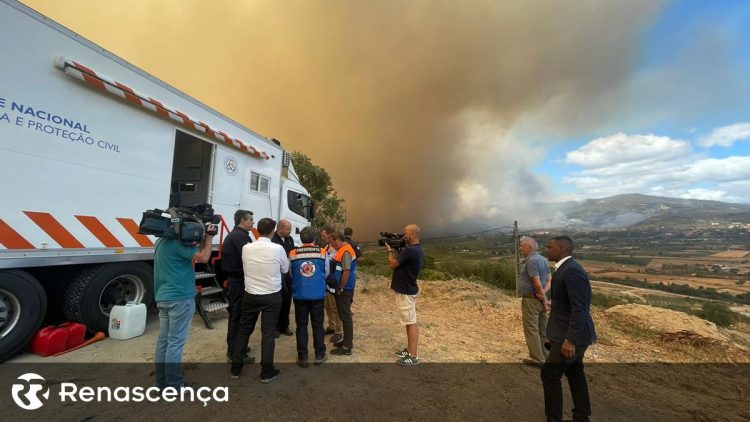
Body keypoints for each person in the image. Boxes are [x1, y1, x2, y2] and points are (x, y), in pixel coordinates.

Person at [153, 221, 215, 389]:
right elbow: (203, 257)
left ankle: (161, 382)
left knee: (164, 341)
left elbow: (193, 249)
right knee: (175, 342)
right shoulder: (177, 244)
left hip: (163, 296)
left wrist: (201, 240)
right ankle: (174, 384)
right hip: (180, 297)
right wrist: (209, 238)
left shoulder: (160, 242)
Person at [542, 236, 597, 422]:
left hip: (571, 336)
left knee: (550, 374)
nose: (546, 249)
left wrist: (570, 340)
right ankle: (581, 416)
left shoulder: (572, 271)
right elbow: (570, 302)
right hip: (568, 333)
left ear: (562, 249)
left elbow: (580, 308)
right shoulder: (564, 269)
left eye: (550, 247)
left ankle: (554, 418)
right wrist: (555, 304)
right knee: (574, 373)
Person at [230, 218, 289, 383]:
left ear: (257, 230)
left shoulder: (246, 248)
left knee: (243, 331)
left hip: (250, 295)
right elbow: (285, 268)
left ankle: (235, 368)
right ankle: (266, 371)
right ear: (273, 231)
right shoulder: (277, 248)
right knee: (268, 334)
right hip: (272, 295)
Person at [289, 226, 329, 367]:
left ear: (301, 238)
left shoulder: (293, 253)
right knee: (318, 325)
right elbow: (327, 272)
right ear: (314, 238)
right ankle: (319, 355)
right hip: (317, 294)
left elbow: (290, 273)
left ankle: (303, 357)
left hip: (300, 294)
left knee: (301, 326)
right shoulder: (322, 252)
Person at [386, 224, 424, 366]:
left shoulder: (410, 251)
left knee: (411, 322)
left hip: (406, 292)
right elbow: (401, 263)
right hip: (408, 289)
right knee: (409, 322)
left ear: (413, 234)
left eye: (406, 233)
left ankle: (413, 356)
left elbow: (392, 264)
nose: (404, 236)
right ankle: (409, 350)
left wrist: (389, 251)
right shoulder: (416, 250)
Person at [220, 209, 255, 363]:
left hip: (237, 280)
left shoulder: (237, 235)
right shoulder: (239, 237)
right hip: (238, 281)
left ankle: (237, 347)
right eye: (251, 219)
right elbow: (251, 257)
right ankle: (235, 352)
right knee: (238, 316)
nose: (253, 222)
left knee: (238, 314)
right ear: (243, 221)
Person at [519, 235, 552, 366]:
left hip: (532, 300)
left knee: (531, 329)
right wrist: (544, 296)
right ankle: (546, 356)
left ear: (529, 247)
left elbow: (537, 284)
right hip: (539, 299)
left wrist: (543, 298)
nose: (520, 248)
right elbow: (550, 280)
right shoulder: (543, 259)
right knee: (543, 330)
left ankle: (538, 360)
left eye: (521, 245)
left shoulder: (532, 261)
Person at [329, 231, 358, 356]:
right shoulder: (345, 249)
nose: (332, 245)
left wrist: (340, 287)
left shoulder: (346, 251)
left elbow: (346, 272)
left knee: (345, 316)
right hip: (345, 288)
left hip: (344, 289)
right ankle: (345, 341)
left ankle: (347, 347)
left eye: (333, 242)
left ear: (337, 240)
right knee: (343, 314)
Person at [272, 219, 295, 337]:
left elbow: (293, 252)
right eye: (288, 229)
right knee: (277, 302)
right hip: (277, 275)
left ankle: (284, 326)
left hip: (288, 275)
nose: (290, 231)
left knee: (287, 301)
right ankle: (275, 327)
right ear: (280, 228)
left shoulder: (289, 239)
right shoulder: (273, 240)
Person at [321, 226, 343, 344]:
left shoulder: (337, 248)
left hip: (334, 281)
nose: (322, 237)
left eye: (324, 235)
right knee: (327, 305)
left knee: (334, 307)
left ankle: (339, 331)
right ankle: (332, 326)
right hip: (327, 281)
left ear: (330, 235)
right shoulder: (326, 247)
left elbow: (330, 261)